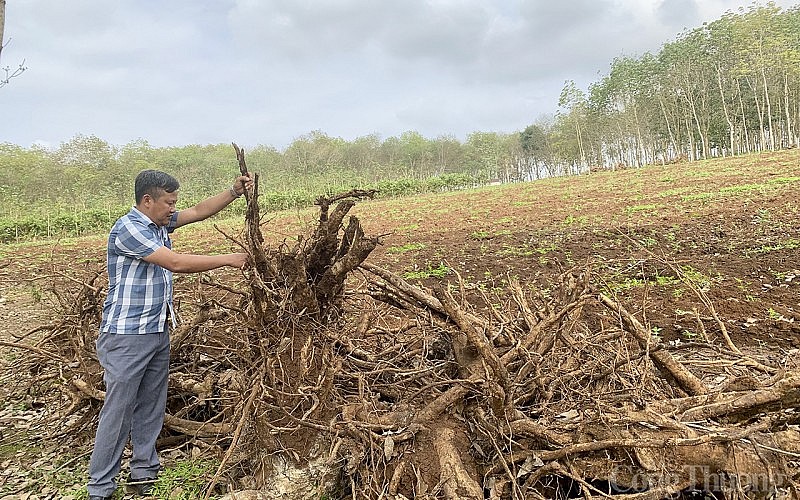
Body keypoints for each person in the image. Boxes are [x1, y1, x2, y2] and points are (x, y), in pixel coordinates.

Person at [87, 169, 252, 500]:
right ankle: (100, 487)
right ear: (147, 201)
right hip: (126, 336)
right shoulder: (130, 230)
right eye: (168, 203)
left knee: (150, 403)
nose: (173, 209)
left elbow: (197, 211)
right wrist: (229, 259)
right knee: (119, 410)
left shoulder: (158, 223)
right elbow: (175, 263)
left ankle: (143, 473)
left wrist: (233, 191)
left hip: (156, 330)